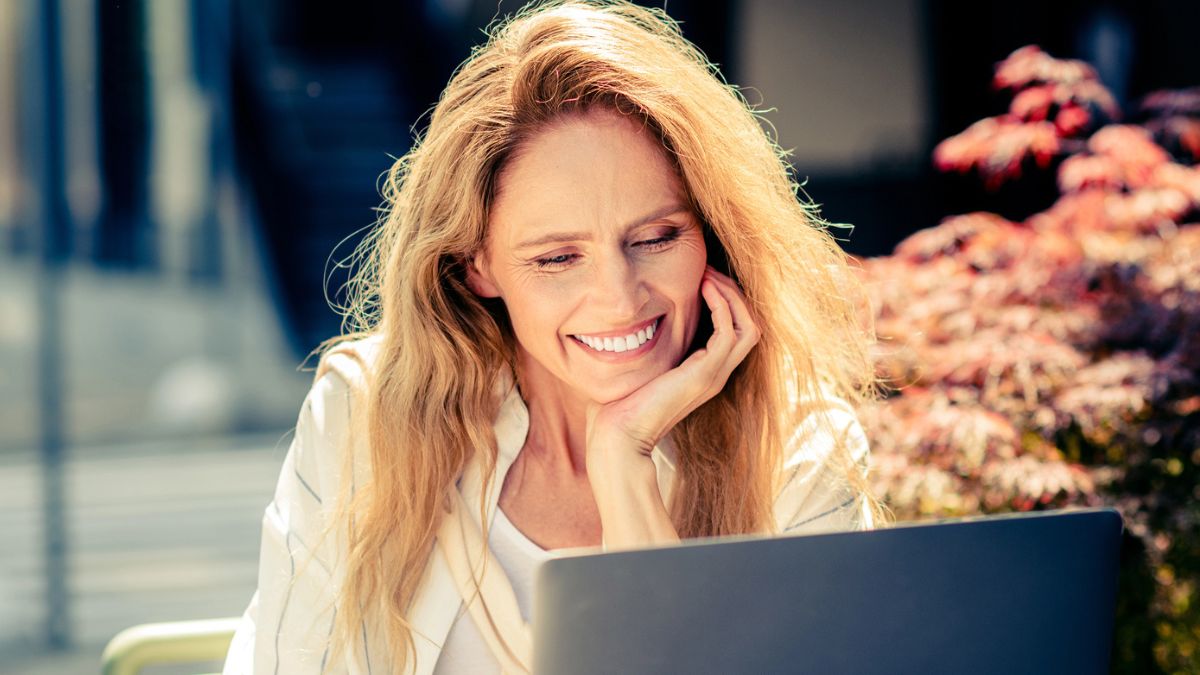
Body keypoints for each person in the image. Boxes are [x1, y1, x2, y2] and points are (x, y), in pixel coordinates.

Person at [223, 1, 889, 673]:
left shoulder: (799, 449)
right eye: (556, 258)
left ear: (712, 234)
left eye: (657, 237)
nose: (620, 297)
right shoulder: (364, 415)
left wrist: (625, 467)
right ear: (474, 264)